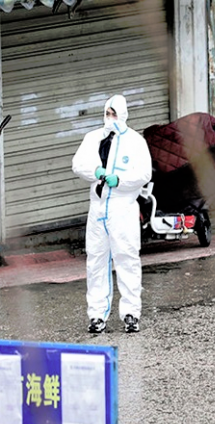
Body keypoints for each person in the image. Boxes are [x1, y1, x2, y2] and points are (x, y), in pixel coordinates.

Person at [72, 94, 152, 333]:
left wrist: (121, 180)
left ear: (123, 114)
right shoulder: (93, 138)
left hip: (123, 208)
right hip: (97, 208)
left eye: (114, 114)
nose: (110, 118)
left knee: (127, 260)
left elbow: (144, 173)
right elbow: (78, 164)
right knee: (96, 261)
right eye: (107, 113)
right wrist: (96, 171)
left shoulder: (135, 142)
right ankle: (97, 315)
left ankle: (131, 314)